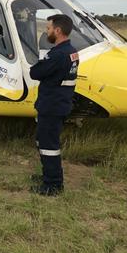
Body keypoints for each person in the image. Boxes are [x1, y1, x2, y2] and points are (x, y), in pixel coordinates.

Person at [29, 14, 79, 196]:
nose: (46, 31)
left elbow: (35, 72)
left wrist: (41, 64)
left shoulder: (58, 54)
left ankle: (53, 185)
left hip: (51, 106)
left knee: (48, 146)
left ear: (57, 31)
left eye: (48, 28)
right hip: (59, 104)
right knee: (44, 142)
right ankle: (48, 176)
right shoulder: (72, 51)